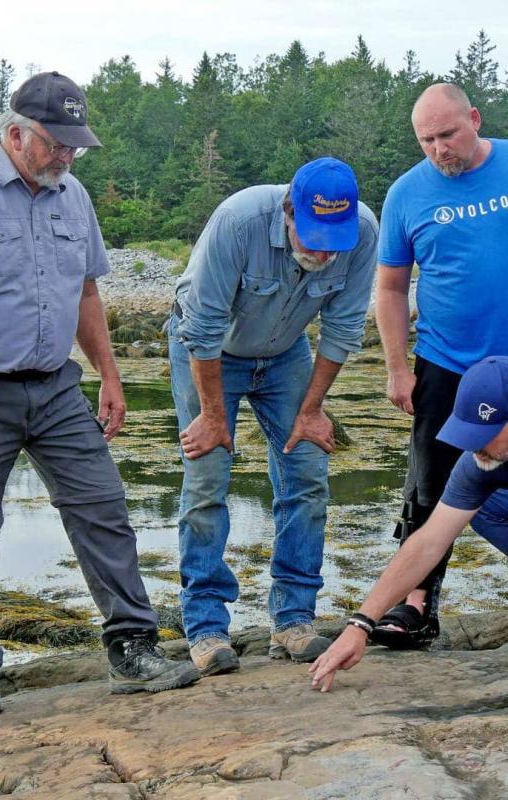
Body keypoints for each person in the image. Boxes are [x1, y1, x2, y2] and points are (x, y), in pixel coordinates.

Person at [0, 70, 200, 721]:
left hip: (55, 387)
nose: (68, 157)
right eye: (57, 144)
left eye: (76, 146)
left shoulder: (72, 197)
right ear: (16, 133)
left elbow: (85, 292)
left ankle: (132, 649)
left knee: (103, 506)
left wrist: (109, 373)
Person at [169, 157, 378, 675]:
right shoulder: (238, 221)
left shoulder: (364, 234)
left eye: (335, 239)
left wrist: (312, 410)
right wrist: (215, 418)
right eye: (312, 237)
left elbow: (344, 328)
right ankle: (207, 627)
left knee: (307, 475)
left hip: (286, 355)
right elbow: (203, 328)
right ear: (289, 212)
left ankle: (292, 620)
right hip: (208, 353)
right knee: (207, 479)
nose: (324, 251)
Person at [373, 82, 508, 648]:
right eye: (426, 139)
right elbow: (390, 287)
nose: (439, 149)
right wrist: (398, 368)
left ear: (474, 119)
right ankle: (416, 606)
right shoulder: (406, 193)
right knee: (430, 484)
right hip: (446, 361)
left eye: (447, 134)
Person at [310, 355, 508, 692]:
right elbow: (429, 540)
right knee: (482, 505)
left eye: (484, 433)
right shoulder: (479, 462)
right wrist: (360, 625)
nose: (474, 447)